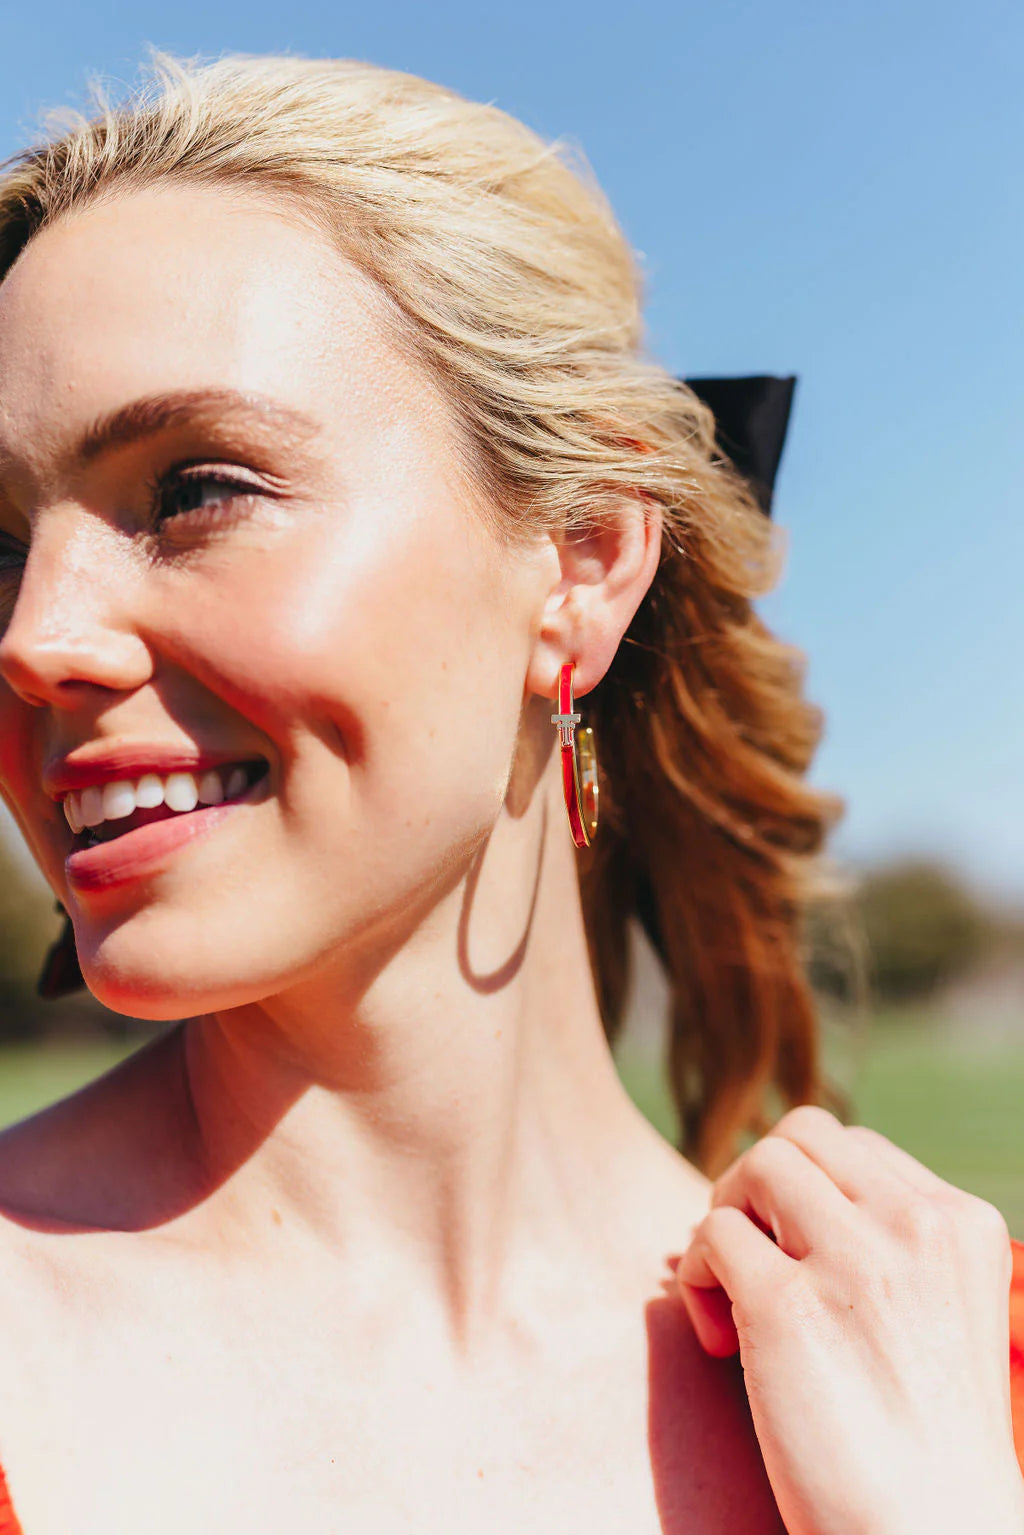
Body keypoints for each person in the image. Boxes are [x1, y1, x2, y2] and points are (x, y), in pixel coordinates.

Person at [0, 50, 1019, 1535]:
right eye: (0, 547)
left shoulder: (952, 1394)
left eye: (195, 490)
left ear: (585, 558)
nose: (33, 641)